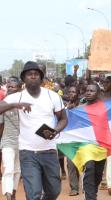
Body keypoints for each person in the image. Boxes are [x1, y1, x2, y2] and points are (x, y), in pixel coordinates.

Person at [0, 61, 67, 200]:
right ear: (23, 78)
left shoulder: (53, 96)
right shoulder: (16, 97)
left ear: (41, 78)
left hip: (49, 150)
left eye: (36, 74)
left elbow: (63, 119)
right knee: (33, 194)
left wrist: (55, 130)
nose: (33, 76)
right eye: (29, 74)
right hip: (27, 152)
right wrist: (15, 105)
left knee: (54, 190)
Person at [81, 83, 106, 200]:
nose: (88, 92)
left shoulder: (104, 108)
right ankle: (90, 197)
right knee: (89, 169)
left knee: (98, 174)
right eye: (87, 90)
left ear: (98, 93)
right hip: (85, 146)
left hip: (101, 146)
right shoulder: (79, 109)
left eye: (92, 91)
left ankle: (93, 192)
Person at [0, 77, 22, 200]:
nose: (10, 89)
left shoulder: (24, 105)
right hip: (7, 141)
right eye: (8, 87)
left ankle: (13, 193)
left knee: (17, 170)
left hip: (22, 142)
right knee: (8, 169)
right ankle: (8, 196)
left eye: (13, 87)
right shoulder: (4, 105)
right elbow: (1, 125)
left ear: (19, 89)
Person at [65, 86, 80, 196]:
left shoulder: (84, 104)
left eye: (74, 92)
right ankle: (74, 187)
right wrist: (67, 110)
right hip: (69, 139)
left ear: (78, 94)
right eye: (70, 91)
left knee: (84, 163)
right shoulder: (64, 106)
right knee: (70, 163)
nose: (71, 94)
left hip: (83, 138)